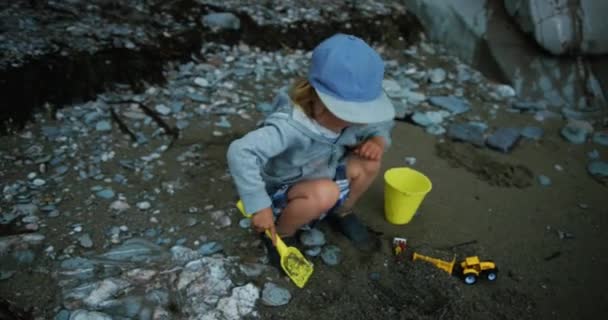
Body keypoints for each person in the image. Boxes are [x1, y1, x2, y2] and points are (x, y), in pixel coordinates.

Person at [226, 33, 395, 261]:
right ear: (319, 99)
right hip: (284, 186)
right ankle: (280, 235)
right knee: (326, 193)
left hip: (325, 169)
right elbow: (241, 151)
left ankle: (342, 211)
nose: (361, 121)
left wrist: (377, 140)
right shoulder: (290, 127)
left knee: (369, 162)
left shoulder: (349, 119)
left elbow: (379, 123)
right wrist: (259, 205)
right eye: (353, 113)